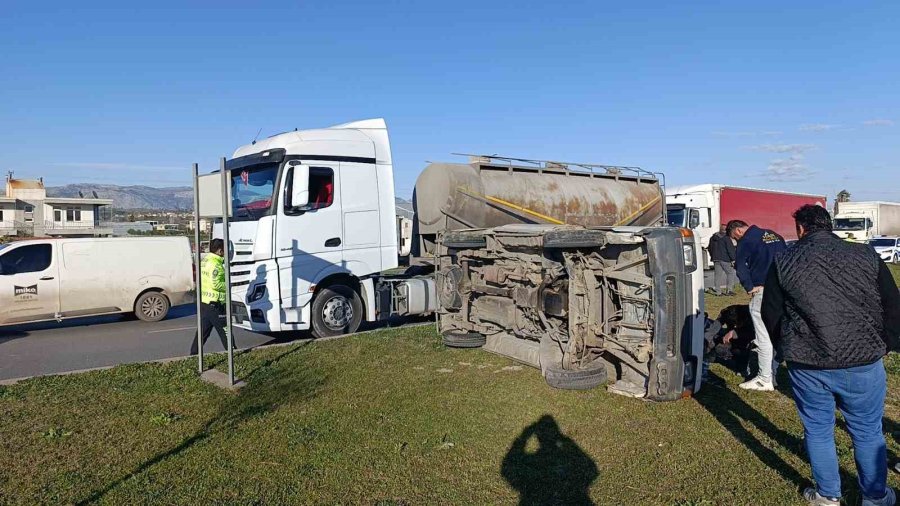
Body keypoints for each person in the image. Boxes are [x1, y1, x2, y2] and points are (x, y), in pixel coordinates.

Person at [762, 205, 900, 506]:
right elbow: (893, 304)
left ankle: (827, 496)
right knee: (867, 431)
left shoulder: (784, 259)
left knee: (818, 430)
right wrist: (886, 343)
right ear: (829, 225)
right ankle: (875, 497)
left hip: (808, 362)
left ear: (801, 228)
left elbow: (770, 312)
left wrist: (785, 348)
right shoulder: (865, 254)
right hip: (862, 361)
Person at [727, 218, 786, 391]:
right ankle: (777, 371)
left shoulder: (746, 241)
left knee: (763, 335)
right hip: (782, 290)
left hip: (763, 290)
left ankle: (764, 378)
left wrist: (749, 286)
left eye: (734, 238)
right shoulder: (774, 235)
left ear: (737, 231)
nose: (736, 241)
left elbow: (740, 266)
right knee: (781, 333)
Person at [190, 238, 230, 355]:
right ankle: (234, 354)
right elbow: (216, 284)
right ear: (219, 251)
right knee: (226, 333)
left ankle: (193, 355)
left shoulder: (205, 260)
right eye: (224, 250)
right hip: (216, 303)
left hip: (204, 301)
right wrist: (229, 284)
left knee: (202, 333)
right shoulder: (216, 264)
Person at [707, 224, 737, 296]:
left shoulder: (712, 238)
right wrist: (733, 259)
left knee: (717, 275)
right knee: (730, 273)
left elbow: (709, 248)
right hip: (725, 259)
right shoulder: (726, 238)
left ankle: (718, 292)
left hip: (716, 259)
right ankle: (729, 290)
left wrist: (712, 255)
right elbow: (730, 249)